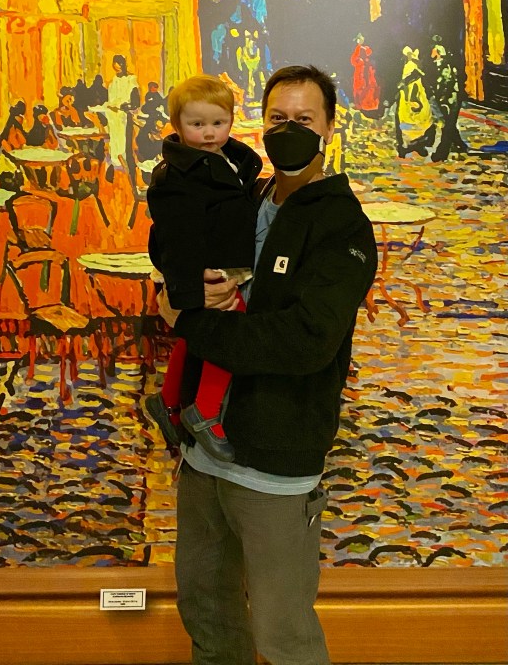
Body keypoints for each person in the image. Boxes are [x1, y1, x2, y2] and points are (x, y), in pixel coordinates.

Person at [158, 65, 377, 665]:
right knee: (208, 618)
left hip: (275, 468)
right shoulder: (241, 195)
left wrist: (191, 322)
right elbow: (183, 254)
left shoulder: (342, 225)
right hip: (204, 457)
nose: (289, 130)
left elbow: (305, 342)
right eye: (278, 118)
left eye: (304, 119)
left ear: (329, 127)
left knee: (283, 637)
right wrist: (178, 289)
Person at [145, 75, 262, 462]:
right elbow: (175, 237)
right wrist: (191, 287)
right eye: (197, 124)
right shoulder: (177, 175)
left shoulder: (231, 159)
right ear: (178, 126)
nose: (209, 133)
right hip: (210, 268)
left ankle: (167, 399)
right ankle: (205, 410)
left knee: (197, 336)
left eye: (218, 122)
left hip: (227, 260)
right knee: (230, 335)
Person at [430, 39, 468, 162]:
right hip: (446, 100)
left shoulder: (445, 67)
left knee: (447, 126)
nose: (431, 52)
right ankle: (460, 144)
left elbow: (447, 84)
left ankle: (441, 153)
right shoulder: (437, 65)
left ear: (438, 52)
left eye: (433, 50)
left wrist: (442, 98)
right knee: (449, 125)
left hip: (450, 100)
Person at [394, 46, 435, 157]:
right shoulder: (410, 66)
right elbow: (407, 82)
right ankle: (408, 145)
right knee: (409, 119)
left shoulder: (414, 66)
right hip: (410, 96)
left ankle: (418, 144)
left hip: (417, 94)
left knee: (422, 119)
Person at [106, 55, 139, 171]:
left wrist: (125, 106)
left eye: (119, 67)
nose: (118, 70)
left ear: (123, 65)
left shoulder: (131, 80)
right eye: (116, 68)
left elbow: (135, 102)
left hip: (125, 116)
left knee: (125, 144)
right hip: (113, 116)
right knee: (114, 141)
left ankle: (125, 167)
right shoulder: (113, 82)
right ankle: (116, 165)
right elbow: (111, 99)